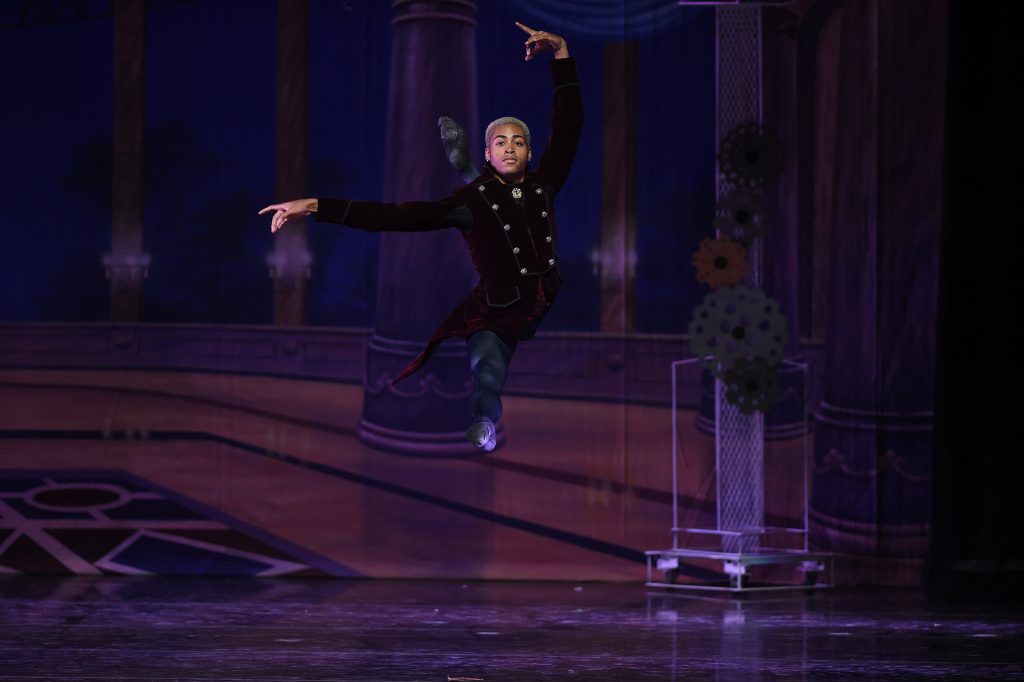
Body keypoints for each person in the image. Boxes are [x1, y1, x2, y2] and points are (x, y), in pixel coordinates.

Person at [259, 22, 582, 452]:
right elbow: (396, 217)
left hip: (541, 297)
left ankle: (461, 163)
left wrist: (561, 53)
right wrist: (316, 205)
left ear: (529, 151)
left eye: (518, 142)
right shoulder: (470, 202)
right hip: (495, 310)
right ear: (489, 154)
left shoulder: (545, 185)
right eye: (500, 142)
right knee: (488, 367)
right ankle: (484, 422)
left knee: (489, 192)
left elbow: (569, 127)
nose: (509, 147)